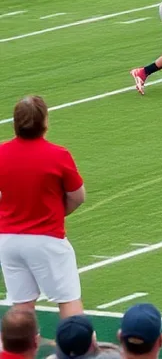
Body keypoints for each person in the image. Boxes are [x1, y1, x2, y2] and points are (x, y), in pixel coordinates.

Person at [0, 96, 86, 318]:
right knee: (69, 303)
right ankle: (75, 350)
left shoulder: (1, 153)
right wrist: (57, 213)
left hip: (8, 240)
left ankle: (13, 351)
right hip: (47, 239)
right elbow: (78, 196)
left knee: (21, 308)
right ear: (45, 122)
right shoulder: (58, 155)